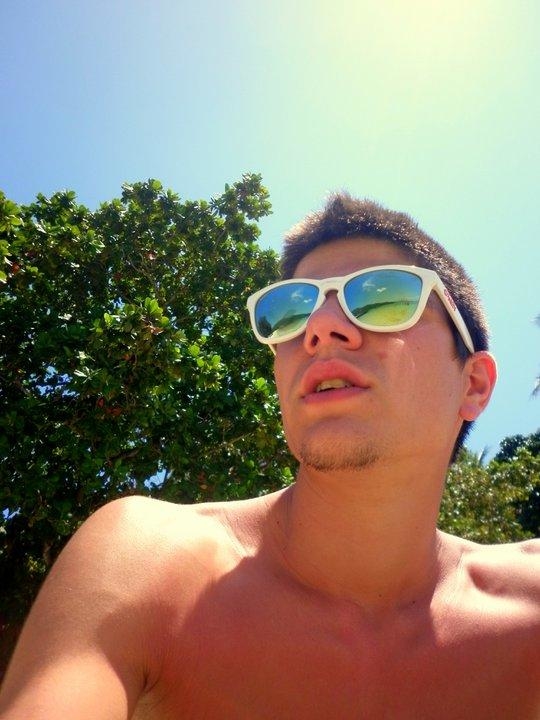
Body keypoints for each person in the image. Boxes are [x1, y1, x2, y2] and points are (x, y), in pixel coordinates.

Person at [0, 193, 538, 719]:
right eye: (291, 311)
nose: (320, 328)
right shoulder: (148, 562)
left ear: (473, 384)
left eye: (384, 297)